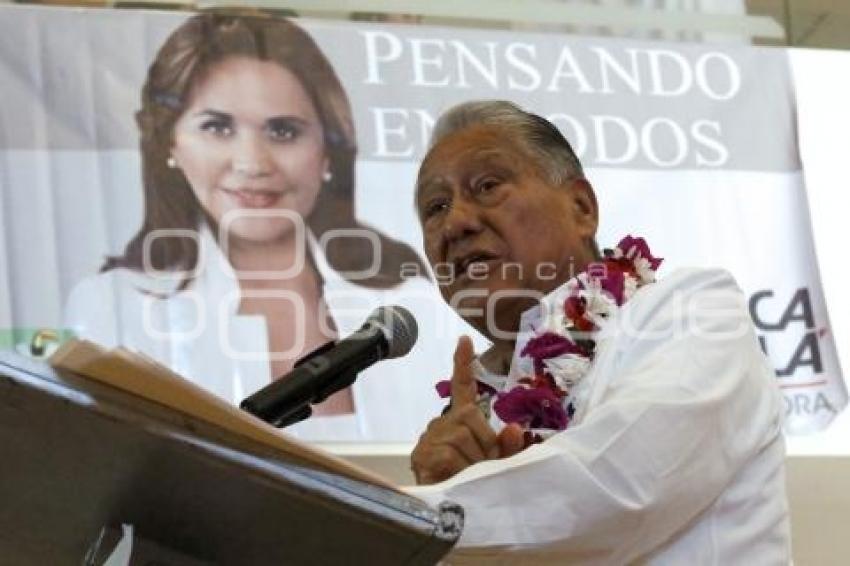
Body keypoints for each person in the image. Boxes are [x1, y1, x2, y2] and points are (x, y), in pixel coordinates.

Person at [405, 100, 790, 563]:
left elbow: (625, 484)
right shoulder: (476, 408)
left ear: (582, 207)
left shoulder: (692, 309)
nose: (456, 223)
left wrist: (413, 519)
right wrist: (441, 488)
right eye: (435, 206)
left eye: (487, 186)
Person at [64, 12, 429, 433]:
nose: (253, 163)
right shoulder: (109, 307)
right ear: (170, 144)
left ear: (329, 150)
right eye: (218, 127)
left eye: (284, 131)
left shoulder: (414, 301)